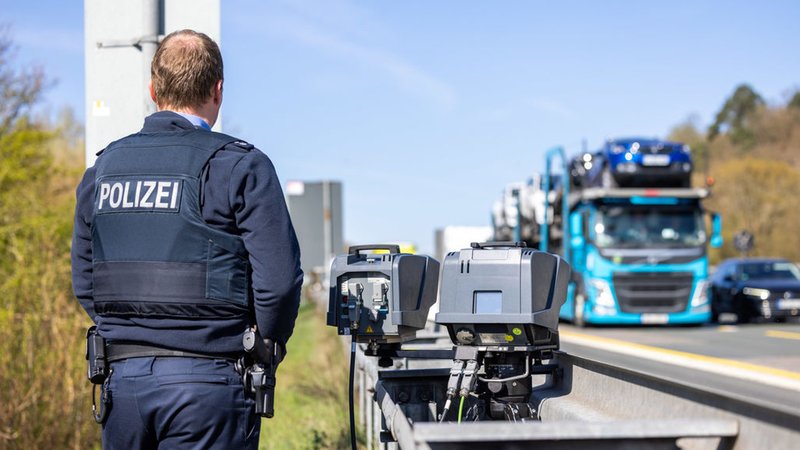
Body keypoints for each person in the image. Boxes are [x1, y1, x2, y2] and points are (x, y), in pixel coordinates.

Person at [71, 29, 303, 449]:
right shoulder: (240, 166)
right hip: (209, 387)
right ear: (218, 91)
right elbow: (280, 280)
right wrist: (266, 345)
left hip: (122, 388)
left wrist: (130, 330)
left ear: (153, 90)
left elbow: (86, 282)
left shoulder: (101, 172)